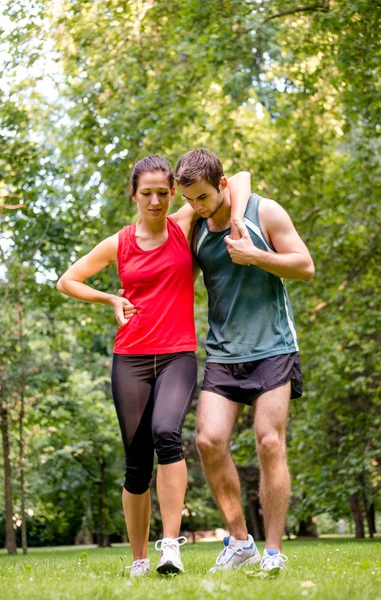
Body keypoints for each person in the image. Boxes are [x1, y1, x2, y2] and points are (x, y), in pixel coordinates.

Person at [57, 155, 250, 577]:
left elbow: (235, 176)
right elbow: (67, 280)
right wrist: (109, 299)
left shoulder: (184, 224)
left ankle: (170, 547)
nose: (157, 201)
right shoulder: (119, 243)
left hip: (178, 353)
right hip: (131, 358)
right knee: (136, 463)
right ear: (134, 195)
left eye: (164, 193)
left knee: (167, 433)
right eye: (148, 193)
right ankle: (139, 560)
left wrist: (236, 219)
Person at [175, 149, 315, 574]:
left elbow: (305, 266)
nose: (196, 207)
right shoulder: (196, 226)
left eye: (202, 197)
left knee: (270, 442)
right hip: (223, 353)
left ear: (221, 185)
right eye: (189, 200)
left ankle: (273, 553)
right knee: (208, 441)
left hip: (273, 347)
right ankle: (240, 542)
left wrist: (258, 256)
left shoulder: (264, 211)